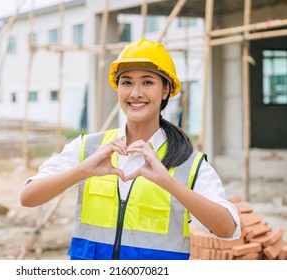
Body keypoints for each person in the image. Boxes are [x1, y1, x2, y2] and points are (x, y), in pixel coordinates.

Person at [20, 38, 241, 260]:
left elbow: (228, 228)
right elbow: (28, 197)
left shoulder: (187, 162)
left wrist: (169, 183)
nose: (135, 93)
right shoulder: (89, 148)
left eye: (147, 82)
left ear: (165, 89)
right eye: (126, 83)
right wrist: (83, 171)